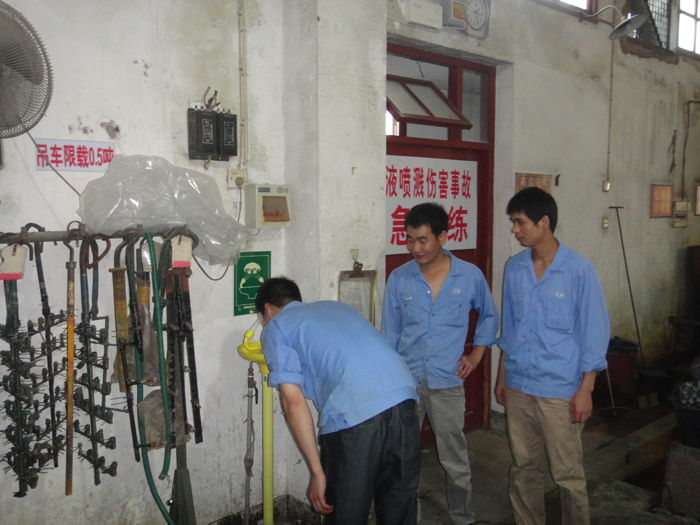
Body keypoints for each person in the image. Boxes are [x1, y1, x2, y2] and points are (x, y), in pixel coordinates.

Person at [256, 277, 421, 525]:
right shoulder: (338, 307)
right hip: (404, 399)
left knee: (346, 512)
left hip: (355, 415)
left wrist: (316, 472)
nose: (264, 323)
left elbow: (293, 402)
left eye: (262, 318)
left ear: (268, 309)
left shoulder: (276, 326)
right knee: (399, 506)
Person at [495, 187, 610, 525]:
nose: (515, 230)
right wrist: (503, 376)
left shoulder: (579, 271)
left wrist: (586, 389)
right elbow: (510, 327)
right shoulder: (515, 268)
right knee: (524, 467)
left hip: (560, 391)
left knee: (567, 474)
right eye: (513, 222)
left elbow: (594, 333)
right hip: (519, 385)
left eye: (520, 222)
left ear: (544, 222)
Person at [381, 202, 499, 525]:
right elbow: (389, 334)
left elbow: (489, 315)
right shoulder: (399, 279)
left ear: (443, 237)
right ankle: (409, 519)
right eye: (409, 240)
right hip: (407, 384)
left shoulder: (469, 276)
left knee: (454, 458)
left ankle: (463, 517)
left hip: (447, 382)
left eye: (422, 240)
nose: (415, 248)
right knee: (403, 459)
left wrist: (476, 355)